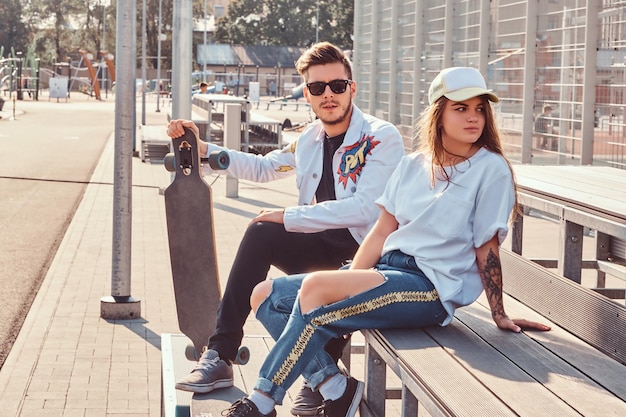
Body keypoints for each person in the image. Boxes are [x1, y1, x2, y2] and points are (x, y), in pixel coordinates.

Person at [219, 66, 552, 417]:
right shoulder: (413, 165)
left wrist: (499, 313)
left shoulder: (491, 168)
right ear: (440, 114)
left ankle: (262, 401)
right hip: (386, 270)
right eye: (461, 108)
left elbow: (486, 247)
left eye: (480, 108)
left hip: (430, 288)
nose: (473, 117)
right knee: (265, 296)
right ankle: (336, 387)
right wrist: (346, 282)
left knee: (315, 290)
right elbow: (380, 232)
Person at [166, 41, 405, 415]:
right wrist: (204, 152)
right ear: (307, 95)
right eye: (317, 88)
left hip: (367, 259)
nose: (328, 95)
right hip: (325, 249)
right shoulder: (310, 139)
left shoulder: (380, 137)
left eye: (337, 86)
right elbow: (265, 167)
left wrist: (288, 216)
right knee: (261, 233)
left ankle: (320, 374)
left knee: (274, 228)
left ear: (352, 88)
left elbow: (363, 210)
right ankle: (221, 354)